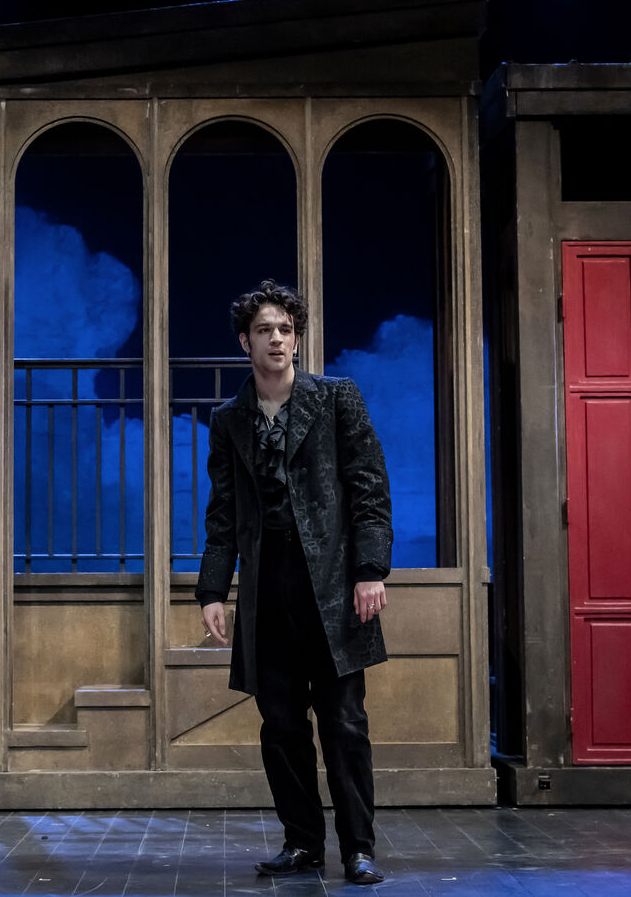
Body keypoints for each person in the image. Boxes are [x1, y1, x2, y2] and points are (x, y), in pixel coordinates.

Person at [196, 281, 393, 885]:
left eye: (285, 329)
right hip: (267, 586)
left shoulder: (336, 397)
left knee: (344, 722)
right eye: (264, 330)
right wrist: (212, 590)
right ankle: (303, 842)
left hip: (332, 581)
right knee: (280, 726)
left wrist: (369, 571)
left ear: (298, 339)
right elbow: (223, 511)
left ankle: (358, 847)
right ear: (245, 342)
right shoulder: (229, 419)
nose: (276, 339)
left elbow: (369, 487)